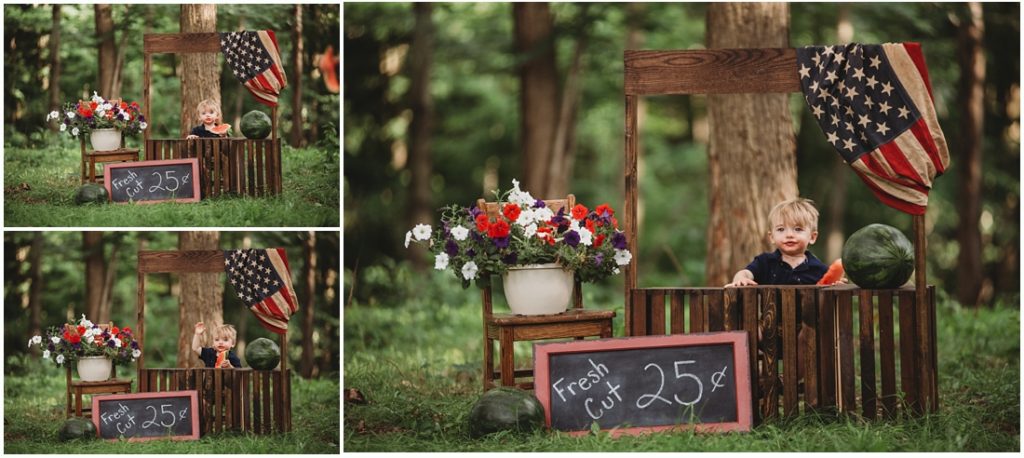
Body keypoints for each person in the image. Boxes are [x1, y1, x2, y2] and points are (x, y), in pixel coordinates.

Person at [726, 198, 829, 287]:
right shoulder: (765, 262)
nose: (789, 235)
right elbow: (746, 273)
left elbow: (829, 289)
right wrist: (740, 279)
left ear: (812, 237)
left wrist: (836, 285)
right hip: (771, 310)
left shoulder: (819, 269)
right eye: (781, 229)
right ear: (772, 237)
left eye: (797, 229)